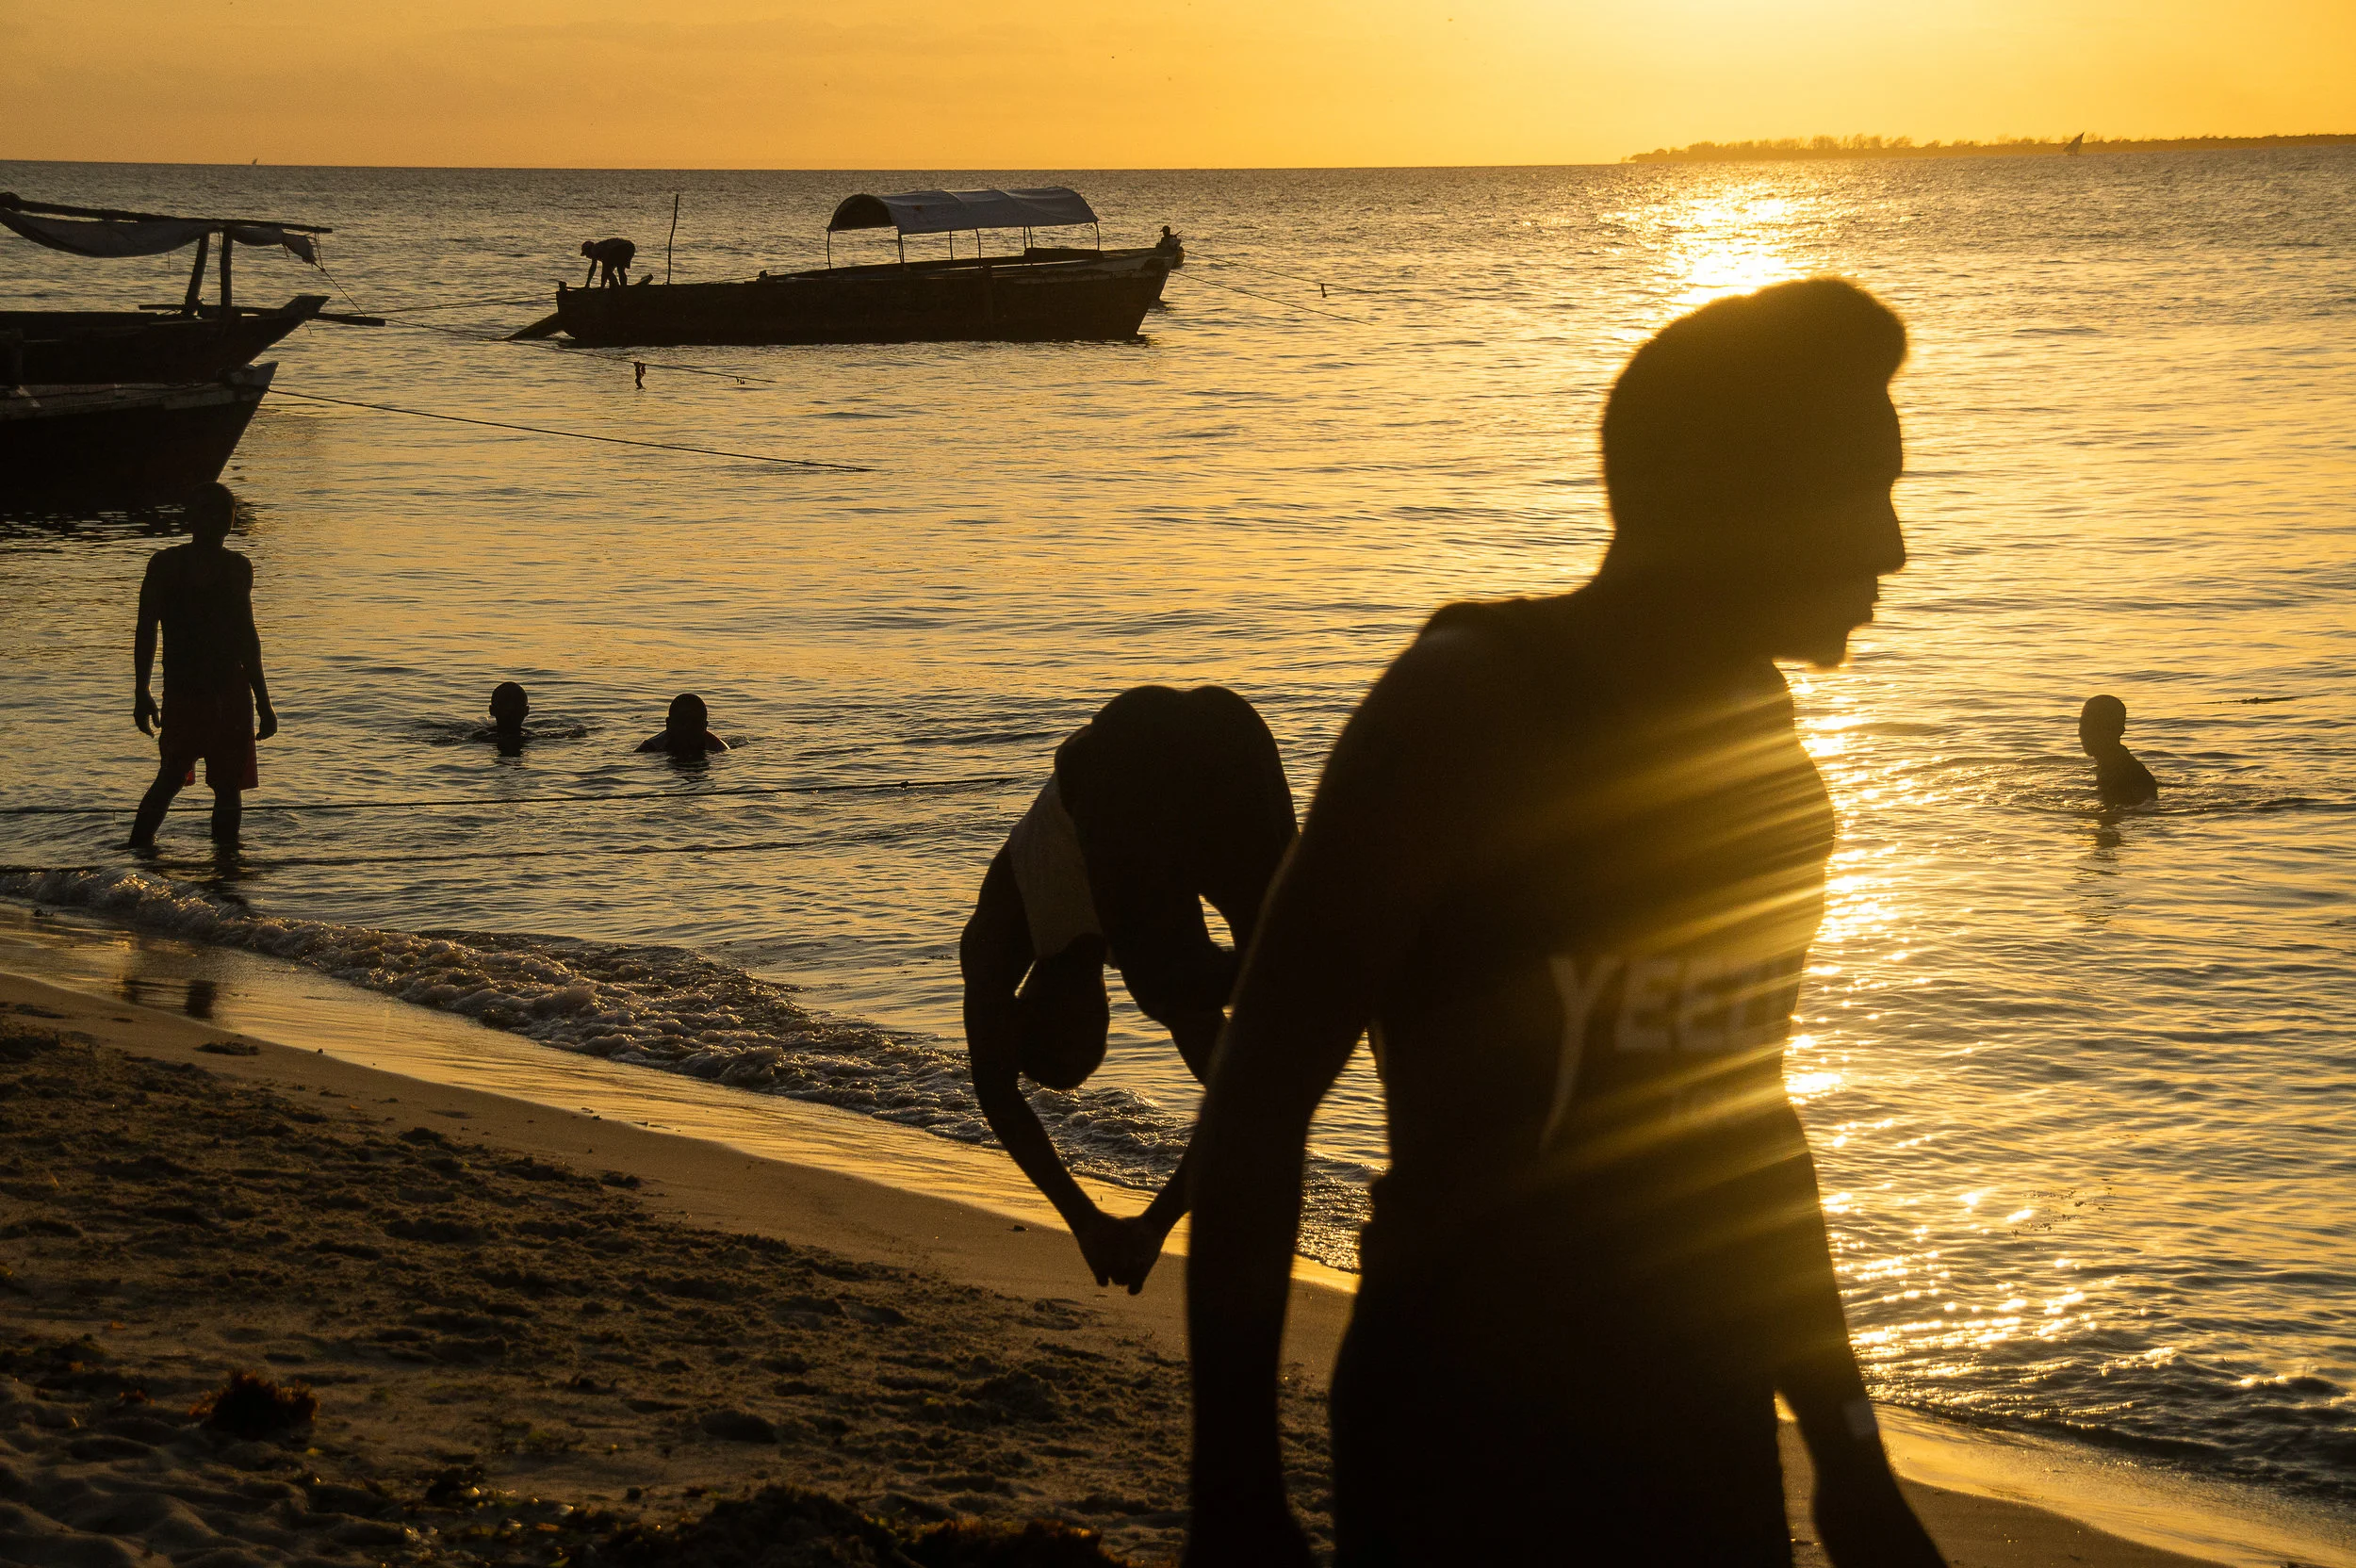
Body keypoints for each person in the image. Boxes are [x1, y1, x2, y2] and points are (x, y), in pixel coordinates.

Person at [1184, 279, 1947, 1567]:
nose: (1892, 547)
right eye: (1857, 491)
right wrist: (1235, 1499)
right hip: (1466, 1448)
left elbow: (1745, 1122)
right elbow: (1258, 1104)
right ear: (1721, 487)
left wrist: (1850, 1457)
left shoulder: (1765, 756)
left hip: (1702, 1435)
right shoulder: (1465, 711)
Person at [960, 685, 1296, 1295]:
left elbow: (996, 1093)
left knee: (1226, 980)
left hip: (1126, 752)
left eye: (1072, 1034)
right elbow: (1234, 1092)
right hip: (1229, 739)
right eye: (1094, 1037)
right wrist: (1154, 1223)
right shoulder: (1145, 943)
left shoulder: (1012, 923)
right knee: (1278, 959)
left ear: (1028, 1006)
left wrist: (1084, 1219)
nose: (1095, 1020)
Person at [129, 484, 278, 849]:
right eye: (207, 511)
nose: (215, 521)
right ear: (191, 518)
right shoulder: (165, 565)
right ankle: (137, 854)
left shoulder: (237, 568)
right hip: (185, 691)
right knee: (171, 776)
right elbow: (146, 629)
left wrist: (264, 702)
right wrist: (141, 690)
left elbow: (247, 637)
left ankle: (226, 865)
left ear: (231, 521)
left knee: (227, 786)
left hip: (230, 692)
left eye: (223, 513)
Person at [2080, 694, 2158, 806]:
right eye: (2084, 724)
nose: (2086, 732)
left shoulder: (2128, 775)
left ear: (2119, 730)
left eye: (2097, 726)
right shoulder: (2107, 767)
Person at [636, 693, 728, 756]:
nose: (687, 728)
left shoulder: (719, 748)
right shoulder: (649, 748)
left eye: (694, 723)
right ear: (668, 724)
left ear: (705, 726)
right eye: (682, 722)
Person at [480, 681, 531, 753]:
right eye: (505, 705)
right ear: (526, 711)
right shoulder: (533, 739)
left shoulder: (480, 738)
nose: (510, 709)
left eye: (516, 705)